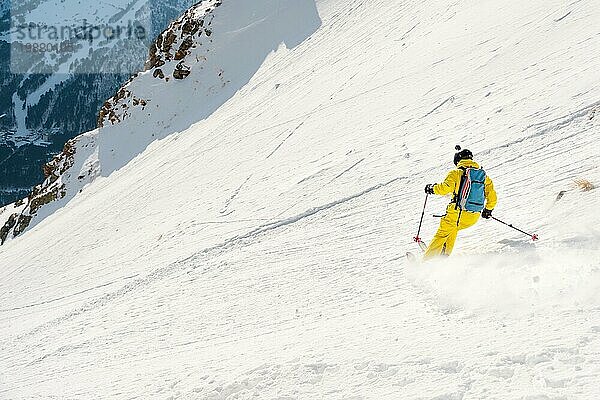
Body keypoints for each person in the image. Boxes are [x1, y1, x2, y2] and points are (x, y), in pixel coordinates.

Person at [423, 147, 497, 259]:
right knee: (453, 229)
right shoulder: (483, 176)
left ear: (458, 161)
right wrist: (488, 210)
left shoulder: (456, 173)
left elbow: (445, 188)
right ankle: (443, 255)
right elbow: (492, 195)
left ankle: (426, 263)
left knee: (442, 234)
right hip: (473, 216)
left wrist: (432, 188)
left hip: (457, 213)